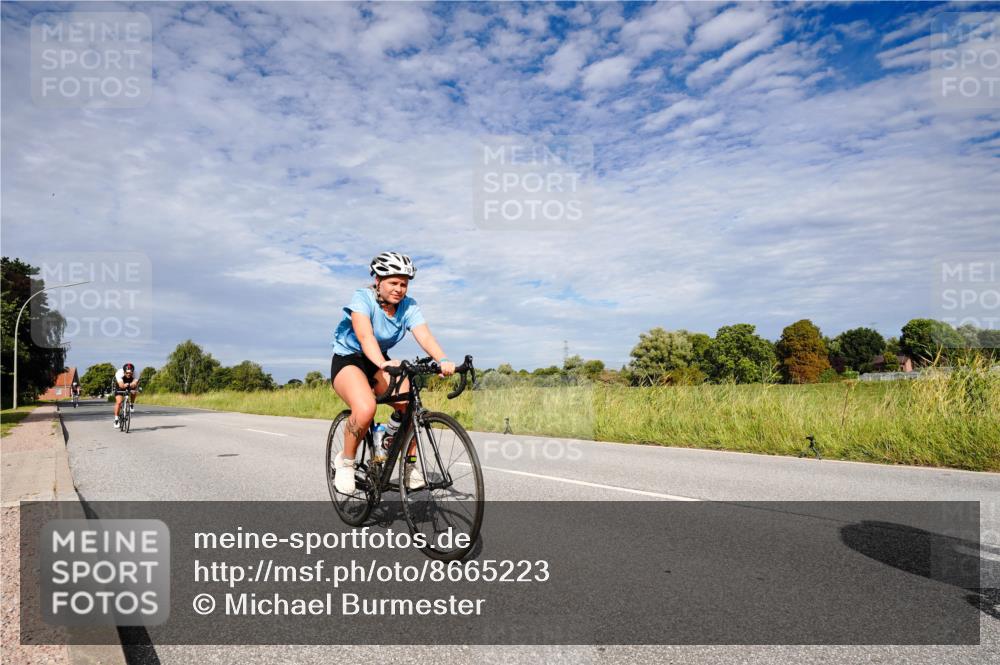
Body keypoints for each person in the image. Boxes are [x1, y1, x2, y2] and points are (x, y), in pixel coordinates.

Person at [330, 252, 455, 494]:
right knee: (365, 408)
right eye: (393, 283)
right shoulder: (362, 298)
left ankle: (405, 464)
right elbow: (365, 336)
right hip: (350, 358)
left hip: (379, 360)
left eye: (404, 284)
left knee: (409, 407)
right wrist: (382, 363)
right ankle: (346, 462)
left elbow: (424, 335)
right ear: (378, 280)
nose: (399, 289)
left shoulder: (409, 306)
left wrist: (443, 359)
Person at [113, 363, 140, 427]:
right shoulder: (119, 373)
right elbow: (121, 385)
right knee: (119, 402)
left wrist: (131, 385)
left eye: (130, 373)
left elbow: (134, 383)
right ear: (124, 372)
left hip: (131, 382)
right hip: (120, 384)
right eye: (127, 373)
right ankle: (116, 419)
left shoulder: (136, 374)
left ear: (133, 372)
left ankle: (131, 404)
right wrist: (124, 385)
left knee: (134, 391)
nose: (128, 374)